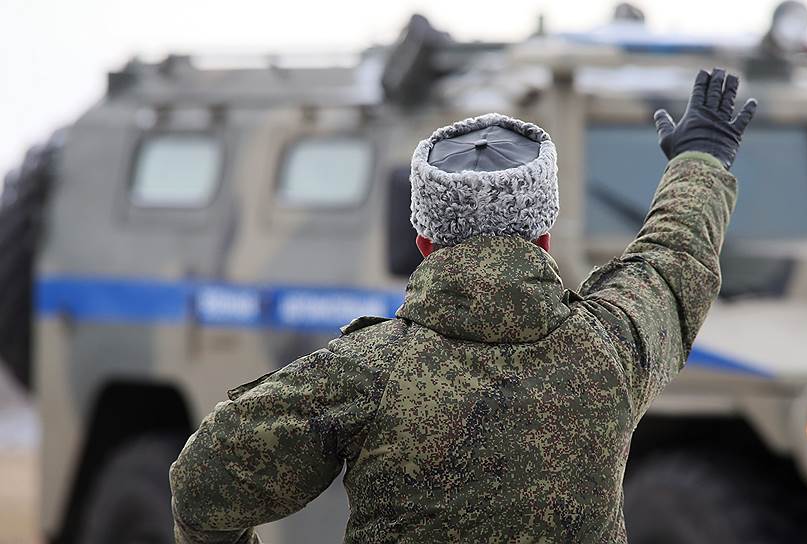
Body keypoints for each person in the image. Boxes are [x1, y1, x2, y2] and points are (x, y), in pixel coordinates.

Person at [169, 68, 757, 543]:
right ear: (543, 235)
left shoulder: (363, 373)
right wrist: (699, 161)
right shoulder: (611, 347)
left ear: (424, 241)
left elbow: (203, 487)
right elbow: (674, 262)